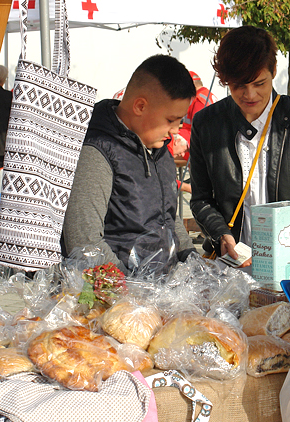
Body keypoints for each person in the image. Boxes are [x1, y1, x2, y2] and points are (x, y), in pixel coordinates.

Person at [189, 25, 290, 264]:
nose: (250, 95)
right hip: (230, 260)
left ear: (274, 70)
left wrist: (289, 245)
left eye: (259, 83)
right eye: (239, 85)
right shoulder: (207, 123)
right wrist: (221, 235)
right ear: (226, 81)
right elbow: (201, 199)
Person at [62, 55, 198, 275]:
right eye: (170, 120)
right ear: (140, 106)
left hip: (161, 288)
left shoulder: (160, 150)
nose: (175, 131)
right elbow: (85, 242)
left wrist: (192, 260)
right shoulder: (97, 150)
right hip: (117, 290)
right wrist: (129, 288)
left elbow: (169, 218)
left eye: (180, 121)